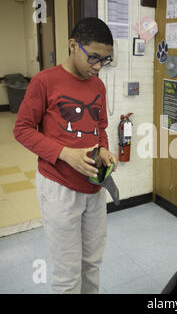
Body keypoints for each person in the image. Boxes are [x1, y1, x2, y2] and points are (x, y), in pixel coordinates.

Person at [14, 17, 117, 294]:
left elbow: (100, 128)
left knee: (92, 264)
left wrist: (104, 150)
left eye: (104, 60)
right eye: (93, 57)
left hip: (94, 188)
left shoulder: (98, 86)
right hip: (58, 186)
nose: (97, 67)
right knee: (67, 274)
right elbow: (22, 130)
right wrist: (64, 154)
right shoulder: (44, 81)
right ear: (73, 45)